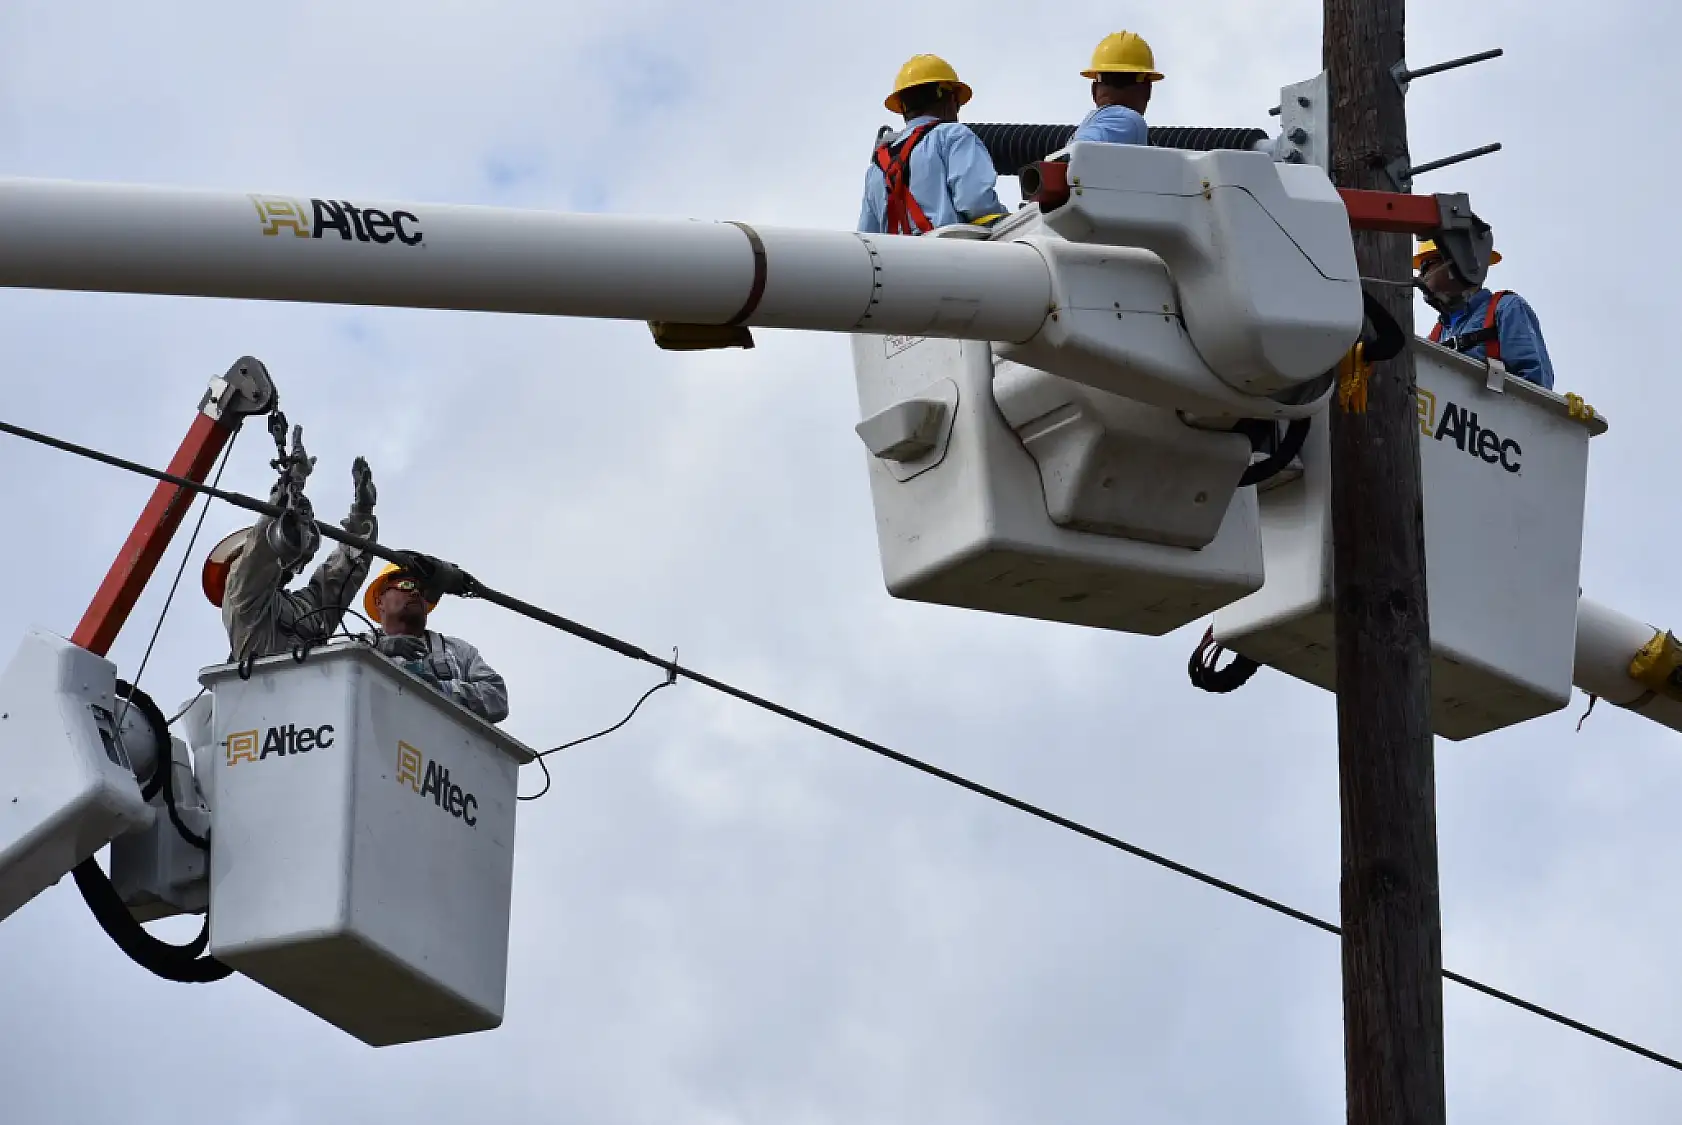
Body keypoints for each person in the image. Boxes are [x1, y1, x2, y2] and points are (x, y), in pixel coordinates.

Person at [203, 442, 379, 664]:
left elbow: (342, 574)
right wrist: (290, 484)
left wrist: (363, 515)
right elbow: (259, 552)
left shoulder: (305, 608)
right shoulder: (241, 603)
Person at [858, 54, 1006, 236]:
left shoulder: (875, 170)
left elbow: (867, 235)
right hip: (951, 257)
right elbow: (976, 203)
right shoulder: (953, 136)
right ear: (949, 99)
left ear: (903, 108)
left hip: (894, 262)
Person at [362, 561, 509, 724]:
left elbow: (497, 697)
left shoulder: (459, 652)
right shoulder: (358, 643)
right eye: (406, 584)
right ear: (379, 602)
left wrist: (443, 689)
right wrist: (378, 647)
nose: (416, 592)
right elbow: (334, 663)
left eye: (422, 589)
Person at [1415, 238, 1557, 390]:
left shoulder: (1506, 309)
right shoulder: (1437, 335)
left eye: (1427, 265)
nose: (1422, 275)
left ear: (1460, 265)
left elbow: (1536, 387)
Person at [1070, 31, 1164, 146]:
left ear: (1094, 90)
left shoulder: (1087, 125)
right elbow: (1082, 152)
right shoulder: (1126, 121)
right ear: (1147, 90)